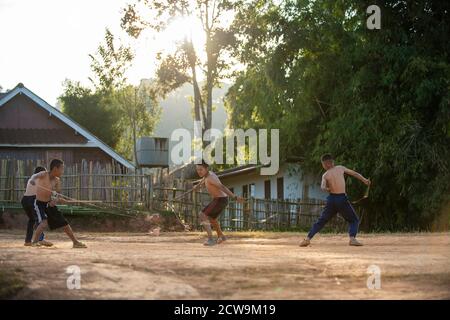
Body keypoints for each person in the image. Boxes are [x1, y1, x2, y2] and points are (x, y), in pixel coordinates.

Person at [300, 154, 370, 247]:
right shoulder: (340, 168)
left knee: (322, 220)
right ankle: (352, 238)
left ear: (326, 164)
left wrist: (327, 189)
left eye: (323, 164)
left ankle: (308, 238)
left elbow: (322, 187)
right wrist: (365, 180)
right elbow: (355, 174)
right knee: (354, 220)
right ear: (332, 162)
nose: (323, 166)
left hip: (331, 200)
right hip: (341, 199)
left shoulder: (325, 175)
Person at [30, 159, 87, 249]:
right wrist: (32, 180)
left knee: (64, 223)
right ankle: (35, 242)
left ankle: (75, 242)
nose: (62, 171)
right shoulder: (44, 174)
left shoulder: (57, 180)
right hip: (39, 204)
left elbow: (56, 194)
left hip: (49, 204)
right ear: (55, 168)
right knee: (43, 223)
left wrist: (55, 200)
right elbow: (34, 176)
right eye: (62, 169)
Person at [194, 161, 244, 246]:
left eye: (201, 169)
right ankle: (221, 236)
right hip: (219, 199)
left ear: (206, 169)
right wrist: (198, 186)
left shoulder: (211, 178)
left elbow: (222, 187)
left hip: (220, 199)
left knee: (202, 215)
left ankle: (210, 239)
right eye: (197, 170)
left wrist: (235, 197)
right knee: (212, 218)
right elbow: (203, 179)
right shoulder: (207, 175)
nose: (199, 171)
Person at [21, 166, 52, 246]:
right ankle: (40, 239)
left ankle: (28, 241)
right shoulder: (40, 177)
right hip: (32, 200)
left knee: (32, 220)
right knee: (40, 219)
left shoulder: (34, 178)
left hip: (25, 200)